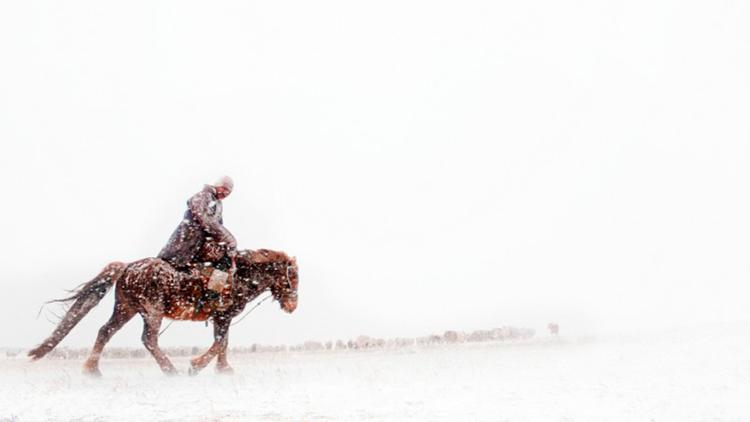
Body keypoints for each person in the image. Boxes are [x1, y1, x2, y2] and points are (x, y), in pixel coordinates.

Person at [158, 176, 238, 302]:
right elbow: (206, 220)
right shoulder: (204, 196)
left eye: (228, 192)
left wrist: (226, 244)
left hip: (201, 242)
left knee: (223, 261)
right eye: (224, 188)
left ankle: (207, 291)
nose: (225, 193)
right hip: (188, 240)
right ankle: (211, 299)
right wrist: (230, 240)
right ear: (217, 185)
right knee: (222, 262)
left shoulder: (217, 203)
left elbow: (218, 226)